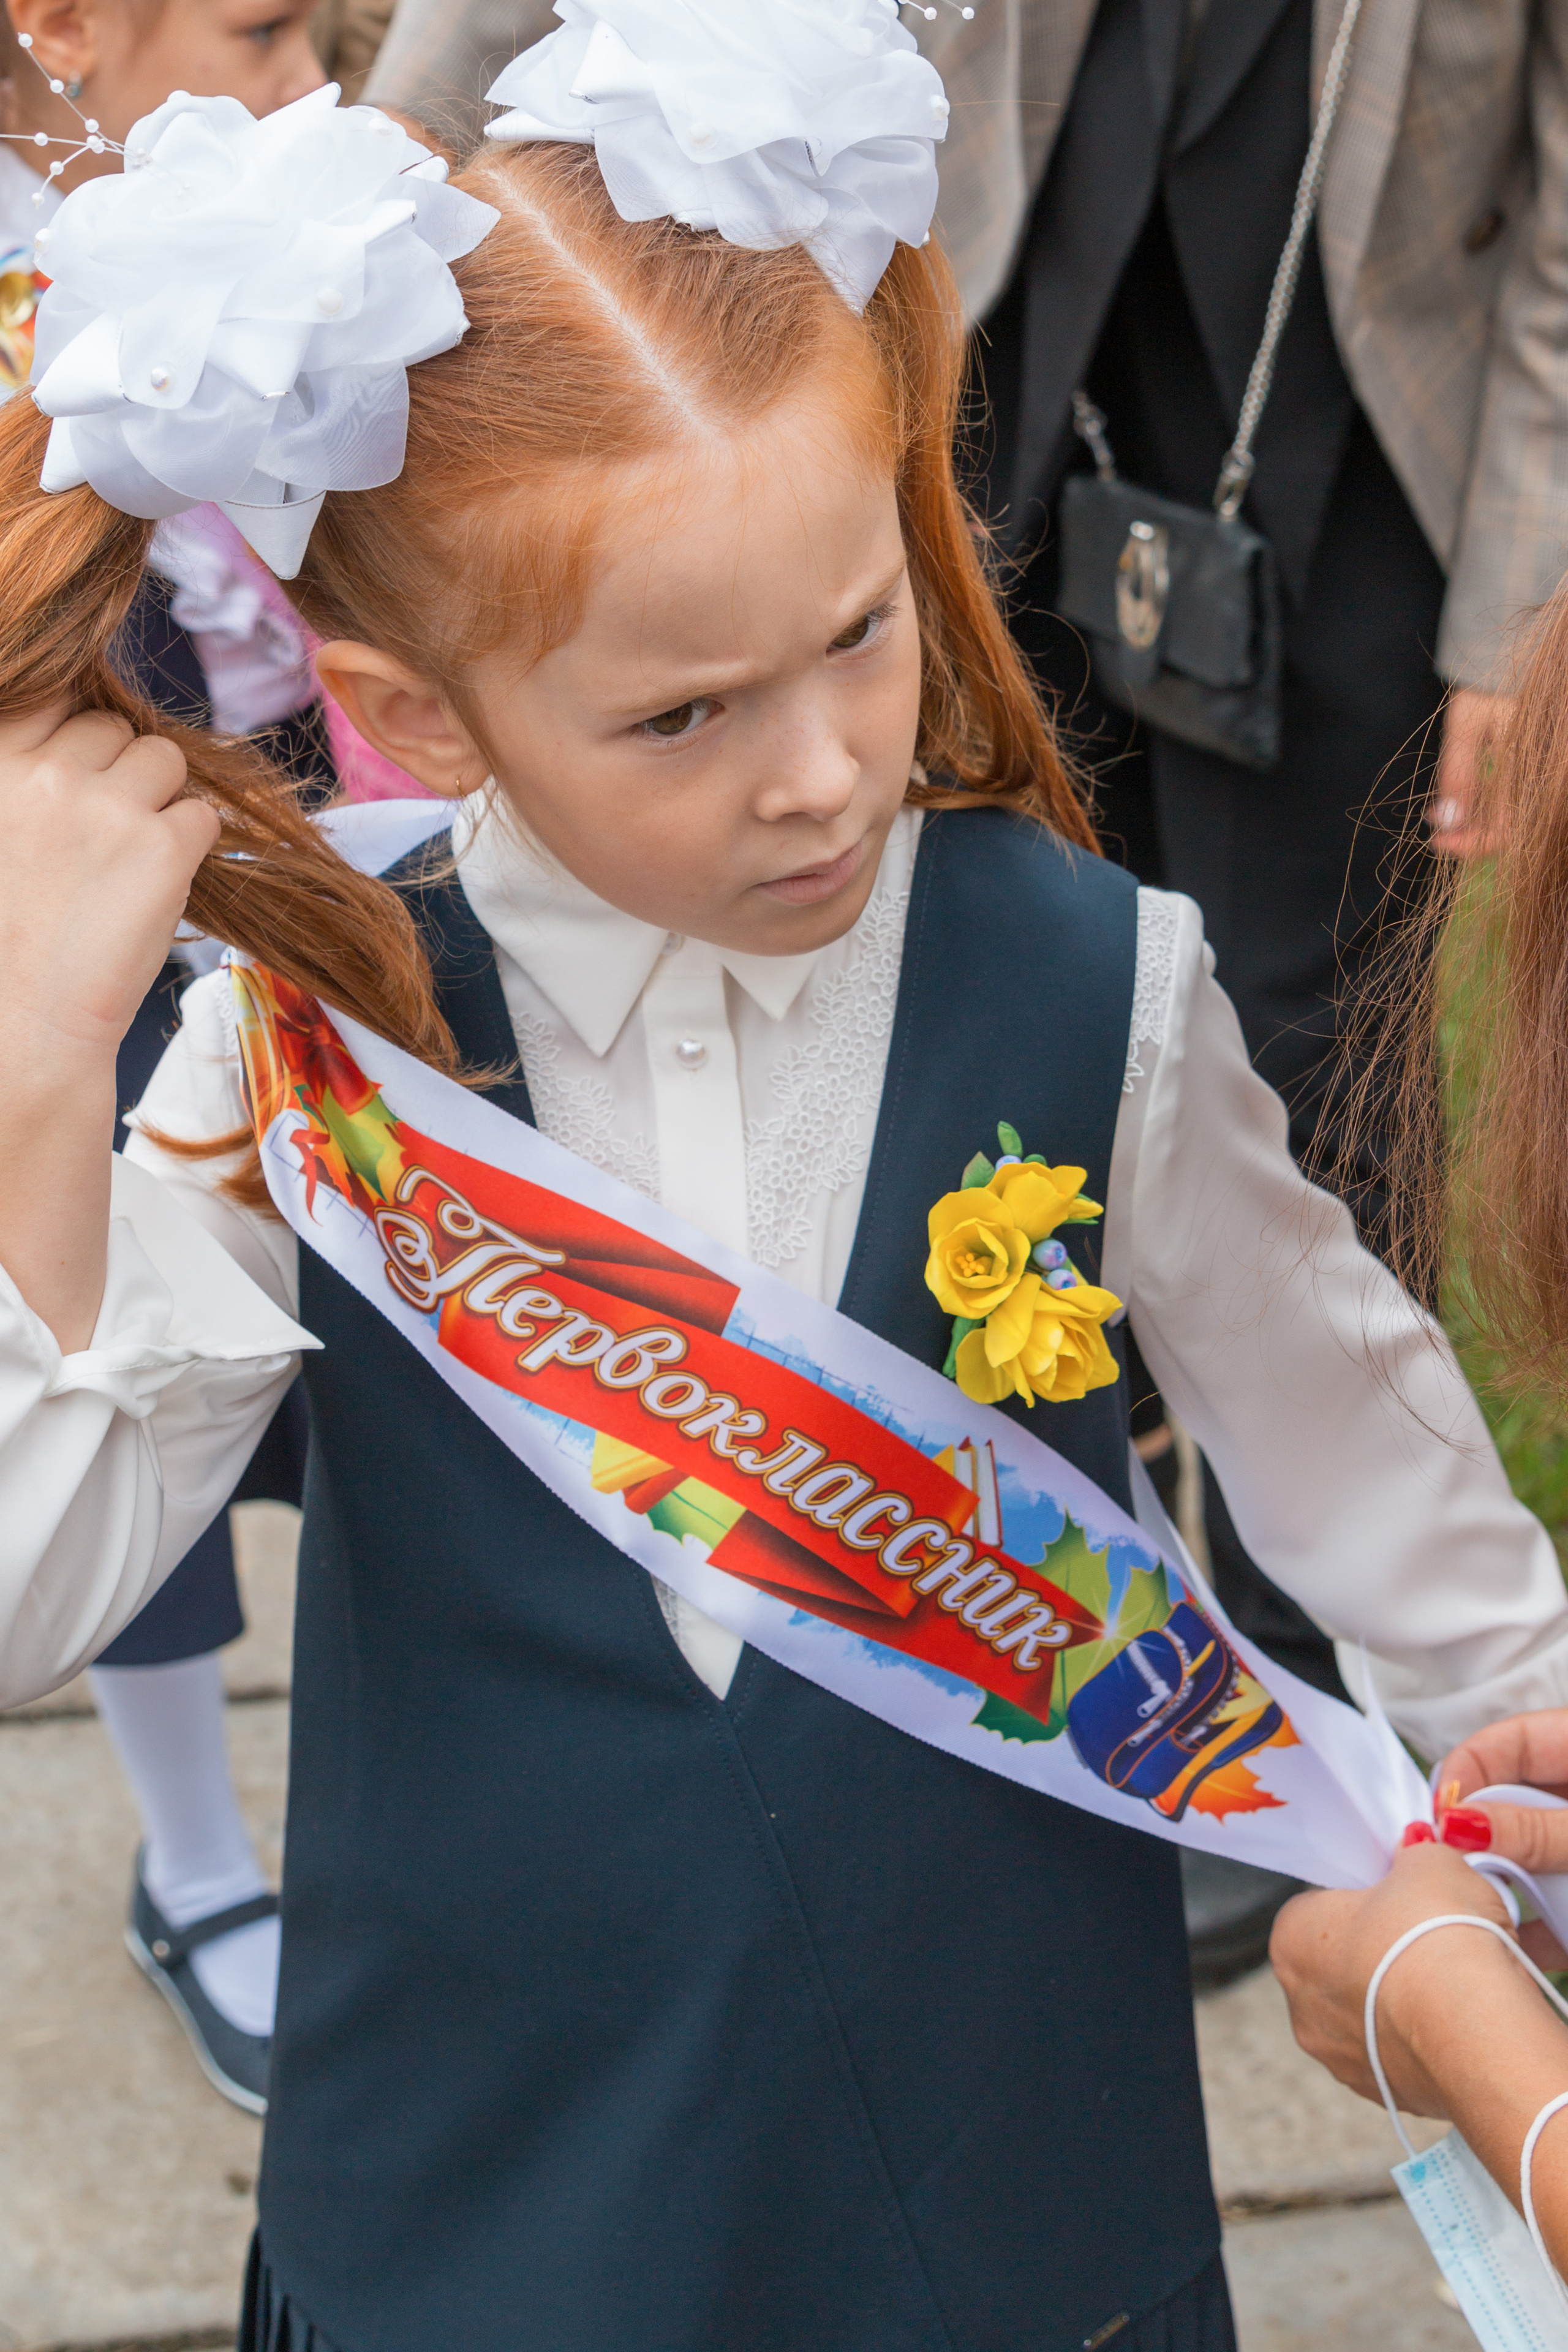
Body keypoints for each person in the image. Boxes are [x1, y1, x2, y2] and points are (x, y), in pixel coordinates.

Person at [4, 11, 1568, 2343]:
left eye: (863, 632)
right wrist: (38, 1075)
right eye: (681, 715)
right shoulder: (314, 1040)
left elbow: (1397, 1508)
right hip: (484, 2173)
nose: (827, 773)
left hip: (1003, 2164)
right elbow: (37, 1598)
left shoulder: (1088, 978)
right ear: (419, 715)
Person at [0, 0, 326, 2113]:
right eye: (267, 29)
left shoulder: (274, 188)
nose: (311, 80)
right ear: (60, 29)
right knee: (98, 1327)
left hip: (290, 773)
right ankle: (201, 1859)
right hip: (70, 850)